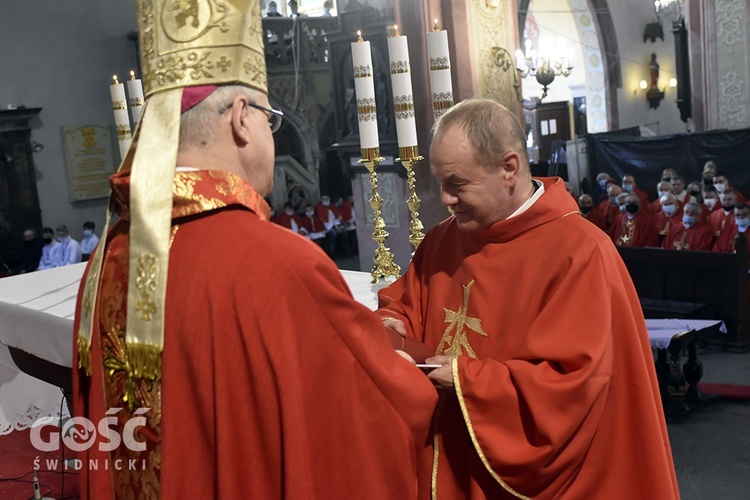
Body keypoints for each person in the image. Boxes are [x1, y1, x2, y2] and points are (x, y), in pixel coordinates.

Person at [72, 2, 436, 498]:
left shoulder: (108, 259)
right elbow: (374, 412)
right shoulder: (277, 263)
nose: (271, 132)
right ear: (243, 118)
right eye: (271, 118)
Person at [376, 98, 678, 499]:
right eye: (440, 184)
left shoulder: (580, 252)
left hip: (540, 476)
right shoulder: (441, 241)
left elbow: (572, 384)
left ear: (509, 168)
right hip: (451, 454)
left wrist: (468, 381)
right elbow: (406, 302)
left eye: (457, 184)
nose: (445, 199)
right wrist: (391, 324)